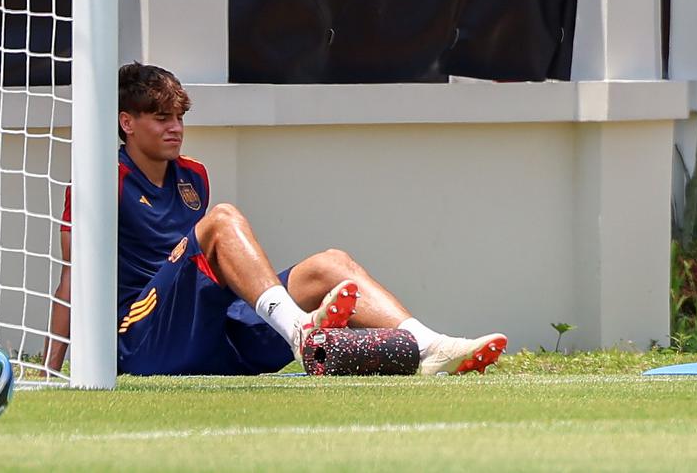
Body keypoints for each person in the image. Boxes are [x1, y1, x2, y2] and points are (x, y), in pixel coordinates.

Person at [46, 62, 506, 376]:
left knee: (331, 263)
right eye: (161, 118)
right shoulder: (103, 179)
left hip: (208, 336)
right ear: (127, 123)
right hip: (142, 340)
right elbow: (72, 279)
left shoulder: (194, 176)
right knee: (222, 221)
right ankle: (300, 331)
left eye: (180, 117)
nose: (176, 128)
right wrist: (51, 368)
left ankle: (429, 348)